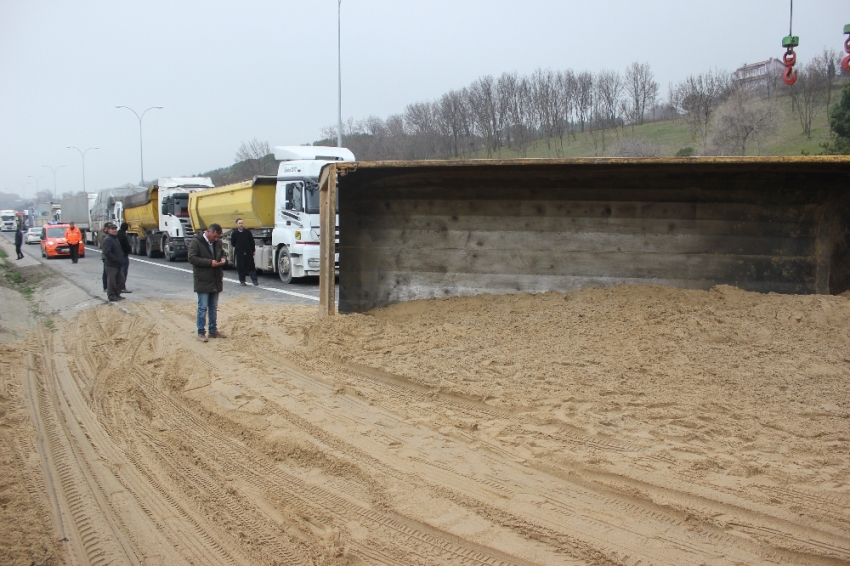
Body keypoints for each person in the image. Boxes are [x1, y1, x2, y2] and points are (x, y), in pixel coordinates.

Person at [188, 223, 227, 342]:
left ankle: (213, 330)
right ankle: (201, 332)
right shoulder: (196, 242)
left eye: (217, 237)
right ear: (208, 232)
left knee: (213, 307)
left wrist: (223, 258)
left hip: (215, 279)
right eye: (214, 236)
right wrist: (209, 263)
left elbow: (223, 252)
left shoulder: (218, 243)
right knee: (203, 307)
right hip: (203, 279)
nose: (215, 239)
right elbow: (192, 258)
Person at [102, 223, 126, 302]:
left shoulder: (115, 238)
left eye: (115, 228)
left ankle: (117, 294)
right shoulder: (108, 239)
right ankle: (111, 296)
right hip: (111, 264)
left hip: (118, 264)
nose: (114, 230)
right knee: (111, 281)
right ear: (108, 230)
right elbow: (107, 253)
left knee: (121, 279)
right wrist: (115, 259)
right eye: (113, 229)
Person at [231, 218, 258, 286]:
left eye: (242, 223)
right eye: (239, 223)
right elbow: (233, 243)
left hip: (248, 251)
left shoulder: (247, 232)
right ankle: (242, 281)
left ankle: (255, 280)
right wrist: (238, 247)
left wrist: (253, 250)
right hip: (240, 252)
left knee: (251, 266)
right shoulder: (234, 233)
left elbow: (252, 241)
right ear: (237, 224)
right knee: (241, 266)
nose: (241, 225)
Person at [116, 222, 132, 293]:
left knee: (118, 271)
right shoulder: (124, 235)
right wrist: (129, 250)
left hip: (117, 255)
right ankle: (122, 287)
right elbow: (127, 245)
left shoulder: (117, 234)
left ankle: (117, 286)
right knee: (124, 272)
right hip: (124, 255)